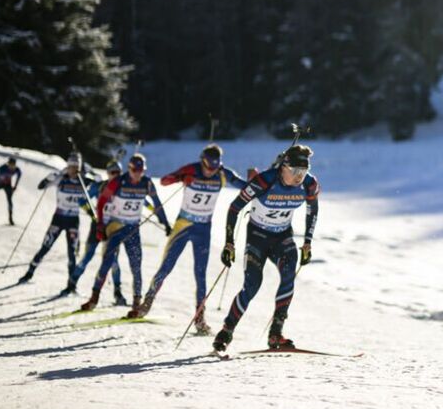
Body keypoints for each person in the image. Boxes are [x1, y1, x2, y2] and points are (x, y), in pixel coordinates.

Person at [212, 144, 321, 354]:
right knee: (252, 285)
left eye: (303, 171)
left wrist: (307, 241)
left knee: (289, 274)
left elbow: (313, 210)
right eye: (295, 171)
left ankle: (275, 333)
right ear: (283, 167)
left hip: (282, 237)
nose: (299, 176)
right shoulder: (264, 180)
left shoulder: (309, 184)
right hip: (257, 237)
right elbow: (235, 208)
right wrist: (229, 243)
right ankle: (226, 331)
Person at [133, 144, 248, 330]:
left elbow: (245, 187)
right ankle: (146, 303)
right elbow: (164, 181)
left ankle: (200, 318)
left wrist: (255, 180)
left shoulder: (223, 173)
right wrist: (180, 177)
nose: (210, 172)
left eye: (214, 168)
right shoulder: (191, 169)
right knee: (166, 266)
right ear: (202, 161)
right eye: (207, 168)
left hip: (203, 229)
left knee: (201, 274)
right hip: (183, 225)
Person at [80, 154, 168, 312]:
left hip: (133, 229)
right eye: (135, 170)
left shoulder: (146, 183)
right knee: (107, 262)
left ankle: (136, 303)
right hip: (116, 227)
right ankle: (94, 299)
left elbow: (157, 204)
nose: (137, 174)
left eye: (140, 171)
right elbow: (101, 203)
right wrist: (100, 224)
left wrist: (166, 222)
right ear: (129, 169)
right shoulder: (118, 181)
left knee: (136, 266)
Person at [17, 155, 91, 285]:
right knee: (46, 246)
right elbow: (41, 186)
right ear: (67, 167)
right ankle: (29, 273)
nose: (73, 170)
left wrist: (95, 178)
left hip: (73, 220)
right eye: (71, 167)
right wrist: (48, 179)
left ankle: (71, 284)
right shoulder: (61, 179)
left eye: (76, 167)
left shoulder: (84, 181)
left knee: (72, 252)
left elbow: (100, 186)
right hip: (59, 218)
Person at [68, 160, 124, 300]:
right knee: (88, 256)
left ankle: (118, 292)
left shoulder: (123, 188)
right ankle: (71, 284)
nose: (115, 175)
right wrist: (92, 215)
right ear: (107, 173)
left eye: (118, 173)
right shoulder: (100, 186)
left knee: (114, 261)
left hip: (113, 228)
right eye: (112, 173)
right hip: (98, 226)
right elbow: (82, 200)